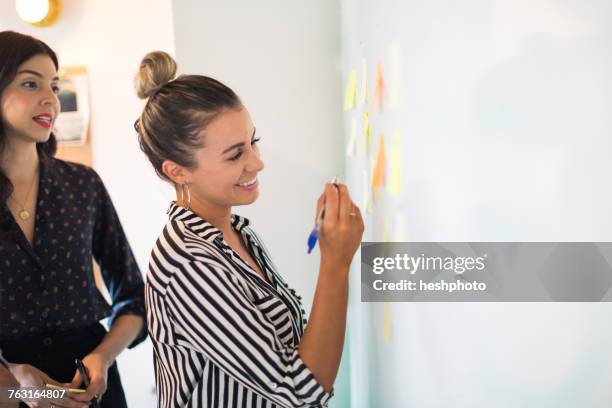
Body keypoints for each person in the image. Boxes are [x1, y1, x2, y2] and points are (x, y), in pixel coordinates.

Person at [135, 51, 364, 408]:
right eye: (234, 154)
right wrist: (336, 262)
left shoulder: (235, 231)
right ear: (177, 171)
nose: (257, 162)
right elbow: (299, 393)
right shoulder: (190, 264)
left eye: (253, 142)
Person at [0, 31, 146, 408]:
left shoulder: (83, 184)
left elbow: (133, 299)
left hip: (93, 389)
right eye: (30, 83)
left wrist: (103, 356)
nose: (50, 98)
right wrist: (13, 383)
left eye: (54, 85)